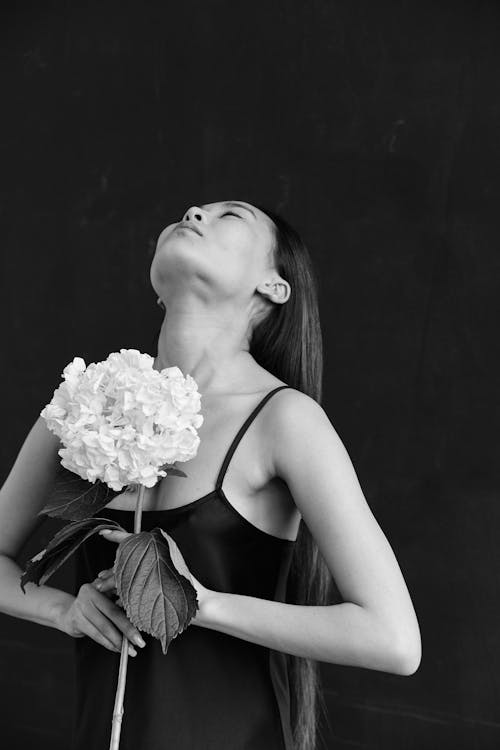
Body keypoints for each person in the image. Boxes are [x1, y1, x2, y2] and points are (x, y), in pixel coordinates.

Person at [0, 200, 421, 750]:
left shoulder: (284, 420)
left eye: (231, 217)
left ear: (273, 287)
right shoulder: (84, 406)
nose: (195, 210)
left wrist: (200, 601)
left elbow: (392, 639)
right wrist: (63, 610)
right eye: (193, 210)